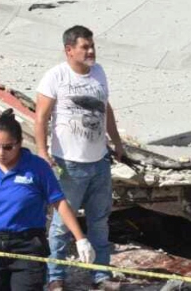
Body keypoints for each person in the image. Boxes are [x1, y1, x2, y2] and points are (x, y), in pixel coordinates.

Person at [0, 109, 95, 291]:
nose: (1, 152)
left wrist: (80, 238)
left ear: (19, 144)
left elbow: (60, 202)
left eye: (8, 147)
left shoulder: (37, 167)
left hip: (27, 246)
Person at [35, 25, 125, 290]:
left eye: (92, 46)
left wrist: (116, 140)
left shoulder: (99, 73)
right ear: (69, 50)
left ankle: (101, 275)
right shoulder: (56, 77)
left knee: (99, 221)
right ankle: (55, 277)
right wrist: (42, 152)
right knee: (63, 223)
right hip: (68, 164)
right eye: (85, 47)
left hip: (99, 162)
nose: (91, 51)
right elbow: (40, 117)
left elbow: (105, 108)